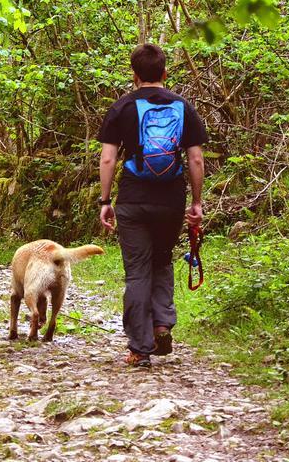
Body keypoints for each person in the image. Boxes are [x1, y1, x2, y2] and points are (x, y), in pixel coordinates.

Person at [96, 43, 207, 367]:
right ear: (164, 72)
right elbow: (196, 158)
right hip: (171, 199)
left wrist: (105, 201)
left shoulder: (122, 107)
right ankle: (161, 325)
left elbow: (108, 157)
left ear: (134, 75)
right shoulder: (183, 107)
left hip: (132, 199)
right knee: (161, 262)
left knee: (137, 272)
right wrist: (197, 201)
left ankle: (139, 347)